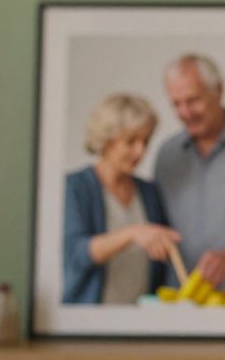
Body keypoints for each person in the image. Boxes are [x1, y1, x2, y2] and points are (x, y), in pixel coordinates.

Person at [153, 54, 225, 303]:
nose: (185, 112)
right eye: (176, 104)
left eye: (193, 101)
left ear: (219, 91)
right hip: (180, 305)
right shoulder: (166, 153)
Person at [63, 93, 180, 304]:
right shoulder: (75, 187)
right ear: (107, 140)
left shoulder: (149, 192)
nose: (141, 151)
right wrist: (133, 233)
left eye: (145, 141)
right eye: (131, 141)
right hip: (91, 320)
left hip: (139, 322)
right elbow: (75, 254)